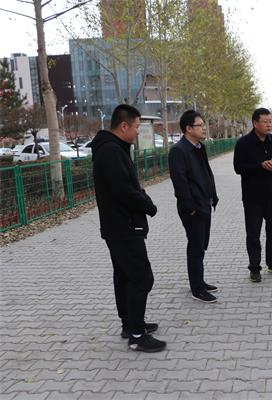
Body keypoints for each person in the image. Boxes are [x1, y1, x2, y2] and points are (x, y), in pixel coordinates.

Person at [90, 104, 166, 352]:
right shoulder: (111, 151)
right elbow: (124, 190)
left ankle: (130, 323)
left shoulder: (112, 149)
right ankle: (136, 335)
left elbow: (126, 185)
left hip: (118, 225)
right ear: (123, 126)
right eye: (135, 127)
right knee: (142, 277)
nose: (136, 132)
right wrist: (148, 205)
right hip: (123, 226)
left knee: (124, 276)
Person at [168, 110, 219, 303]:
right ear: (188, 129)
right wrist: (191, 208)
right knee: (195, 246)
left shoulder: (199, 147)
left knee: (201, 245)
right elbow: (180, 183)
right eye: (200, 125)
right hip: (193, 208)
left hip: (205, 204)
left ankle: (200, 281)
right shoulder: (178, 151)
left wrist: (213, 195)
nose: (204, 128)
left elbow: (206, 173)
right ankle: (197, 289)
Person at [233, 108, 272, 283]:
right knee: (253, 234)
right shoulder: (243, 143)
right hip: (253, 197)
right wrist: (260, 166)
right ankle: (254, 268)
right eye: (265, 122)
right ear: (255, 123)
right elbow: (238, 168)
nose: (269, 125)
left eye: (270, 121)